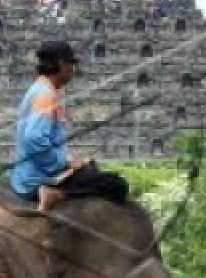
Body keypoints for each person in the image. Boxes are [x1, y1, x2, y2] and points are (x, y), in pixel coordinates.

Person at [9, 40, 127, 211]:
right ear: (61, 64)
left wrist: (71, 159)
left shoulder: (39, 89)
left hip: (29, 173)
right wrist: (64, 162)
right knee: (116, 185)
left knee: (89, 168)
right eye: (71, 64)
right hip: (38, 178)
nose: (73, 70)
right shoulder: (45, 95)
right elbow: (33, 139)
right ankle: (54, 194)